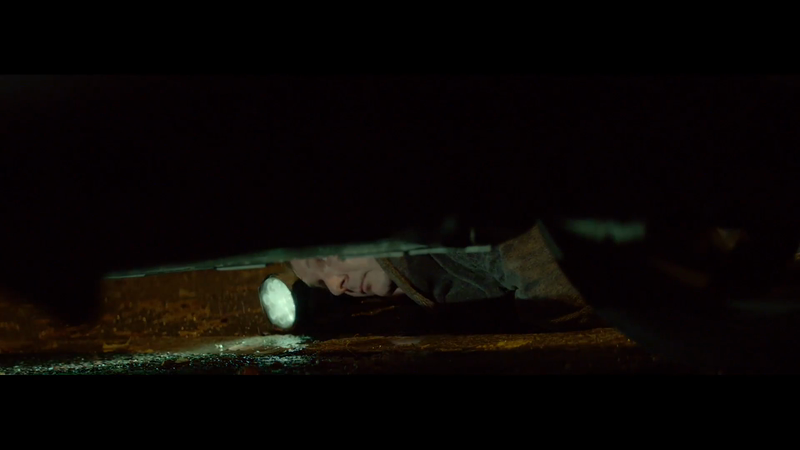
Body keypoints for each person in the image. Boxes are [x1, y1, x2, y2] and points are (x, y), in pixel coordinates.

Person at [287, 224, 603, 331]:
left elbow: (555, 277)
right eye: (321, 284)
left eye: (325, 258)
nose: (336, 286)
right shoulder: (418, 281)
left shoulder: (453, 236)